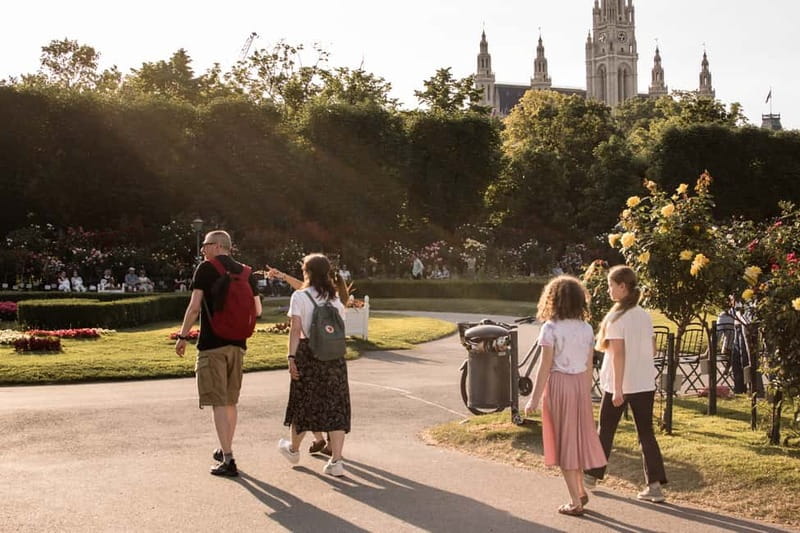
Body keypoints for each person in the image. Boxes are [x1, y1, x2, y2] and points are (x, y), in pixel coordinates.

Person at [175, 230, 262, 477]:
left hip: (212, 345)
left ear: (217, 246)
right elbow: (257, 310)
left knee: (218, 403)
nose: (202, 250)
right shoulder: (246, 272)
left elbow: (194, 307)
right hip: (238, 345)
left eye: (205, 245)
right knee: (230, 401)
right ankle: (226, 448)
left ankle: (228, 458)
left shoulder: (206, 269)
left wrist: (182, 337)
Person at [524, 275, 606, 517]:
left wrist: (533, 399)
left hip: (559, 385)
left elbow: (545, 366)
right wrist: (586, 388)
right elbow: (590, 364)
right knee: (576, 441)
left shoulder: (550, 328)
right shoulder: (587, 328)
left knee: (563, 443)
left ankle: (575, 501)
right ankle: (579, 490)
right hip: (581, 385)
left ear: (553, 299)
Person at [584, 265, 668, 502]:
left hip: (619, 385)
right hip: (644, 383)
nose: (609, 289)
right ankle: (655, 487)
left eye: (611, 285)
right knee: (646, 434)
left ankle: (591, 476)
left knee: (606, 430)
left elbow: (618, 353)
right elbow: (651, 348)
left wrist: (619, 389)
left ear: (623, 286)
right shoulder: (643, 314)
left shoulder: (616, 317)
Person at [275, 253, 350, 476]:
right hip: (334, 357)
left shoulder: (300, 297)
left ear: (307, 272)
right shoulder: (335, 299)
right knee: (335, 405)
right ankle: (336, 460)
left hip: (308, 354)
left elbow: (295, 330)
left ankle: (294, 449)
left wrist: (291, 357)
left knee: (303, 402)